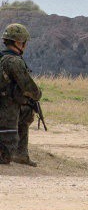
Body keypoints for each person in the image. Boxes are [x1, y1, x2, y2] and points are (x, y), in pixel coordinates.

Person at [0, 23, 43, 166]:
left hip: (6, 105)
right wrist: (37, 95)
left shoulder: (2, 58)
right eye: (24, 42)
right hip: (6, 108)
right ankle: (14, 152)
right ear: (19, 42)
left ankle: (21, 154)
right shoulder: (14, 62)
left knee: (26, 111)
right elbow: (29, 87)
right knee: (5, 156)